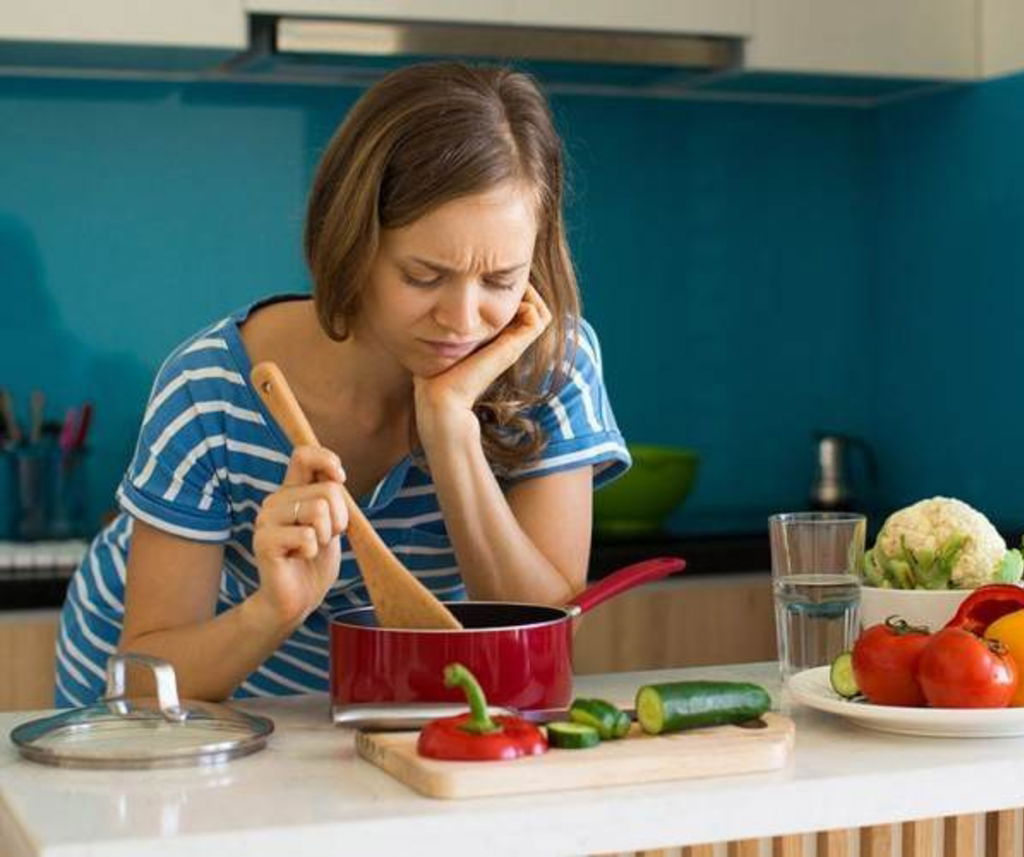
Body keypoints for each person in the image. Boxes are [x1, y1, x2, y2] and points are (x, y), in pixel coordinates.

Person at [55, 62, 630, 705]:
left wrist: (450, 431)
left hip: (388, 693)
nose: (463, 320)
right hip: (183, 688)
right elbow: (143, 685)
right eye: (423, 276)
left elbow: (543, 630)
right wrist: (274, 608)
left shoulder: (549, 365)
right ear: (351, 244)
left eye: (500, 280)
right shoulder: (208, 389)